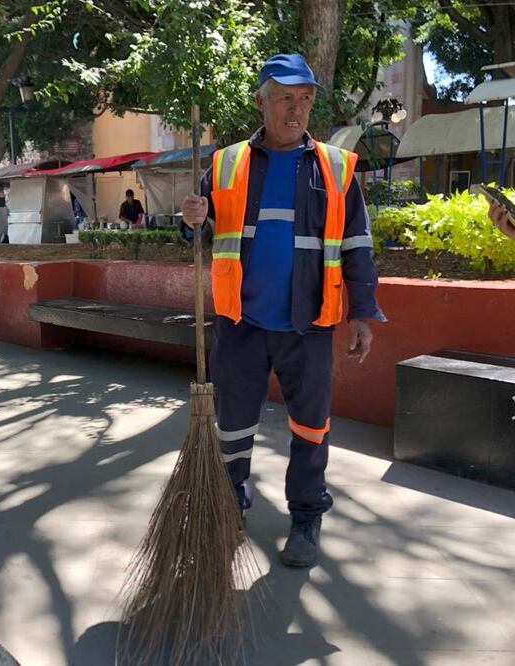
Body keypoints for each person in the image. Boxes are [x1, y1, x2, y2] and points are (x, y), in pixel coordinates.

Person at [181, 53, 385, 568]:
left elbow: (357, 243)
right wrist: (192, 219)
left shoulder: (338, 168)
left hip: (308, 324)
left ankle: (306, 515)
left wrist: (361, 312)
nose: (296, 110)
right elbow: (199, 231)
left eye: (305, 99)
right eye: (285, 99)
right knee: (232, 425)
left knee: (310, 426)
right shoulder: (226, 163)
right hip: (241, 323)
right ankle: (230, 504)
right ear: (261, 102)